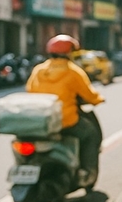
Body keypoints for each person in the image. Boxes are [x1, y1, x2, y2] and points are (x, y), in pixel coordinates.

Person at [26, 35, 105, 183]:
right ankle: (86, 173)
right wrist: (99, 99)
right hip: (66, 122)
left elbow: (30, 90)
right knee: (90, 134)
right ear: (69, 53)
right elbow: (89, 95)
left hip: (40, 122)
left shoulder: (38, 70)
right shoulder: (73, 71)